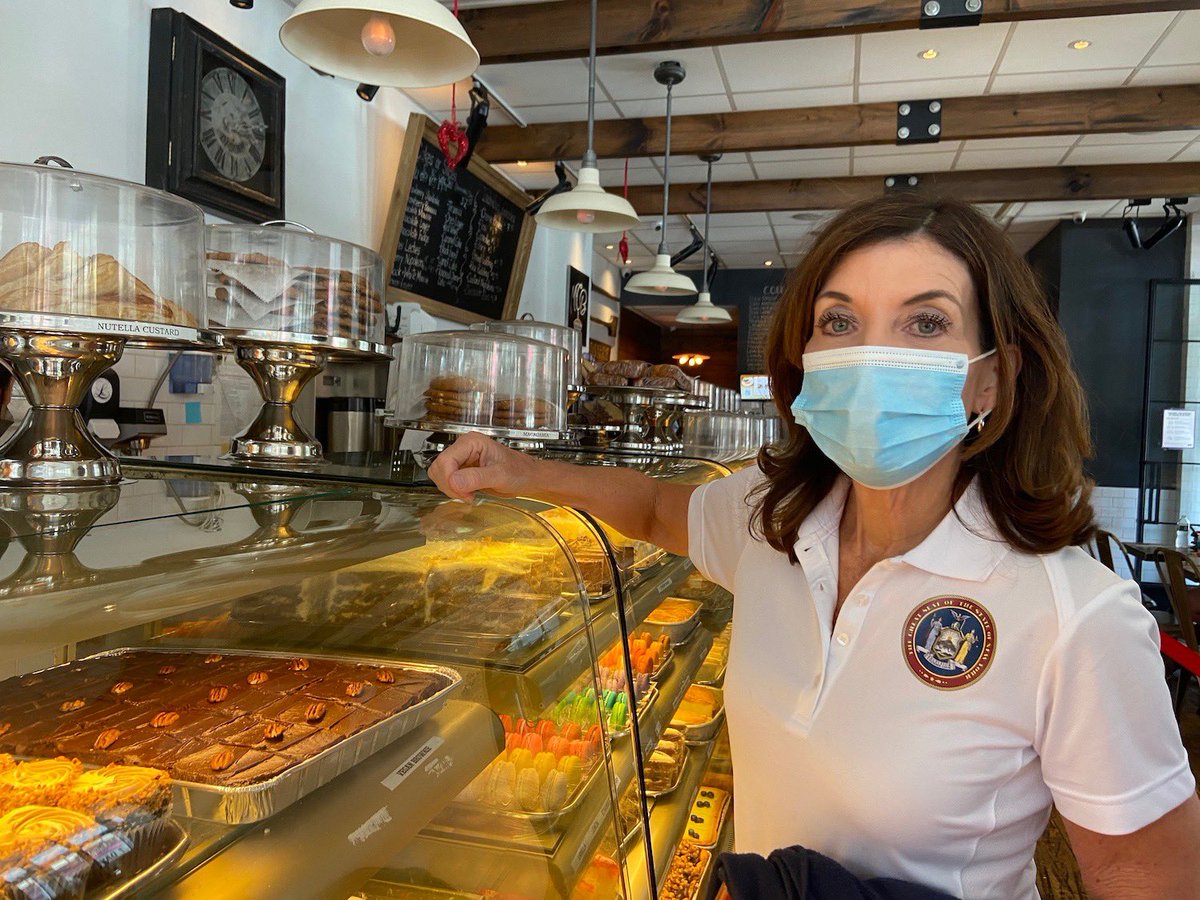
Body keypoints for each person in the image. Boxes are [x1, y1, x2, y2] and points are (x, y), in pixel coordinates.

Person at [429, 195, 1200, 899]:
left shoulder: (1077, 616)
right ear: (805, 357)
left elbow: (1146, 877)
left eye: (925, 323)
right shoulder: (772, 515)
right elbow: (660, 510)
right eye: (840, 321)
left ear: (990, 380)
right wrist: (521, 470)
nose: (871, 357)